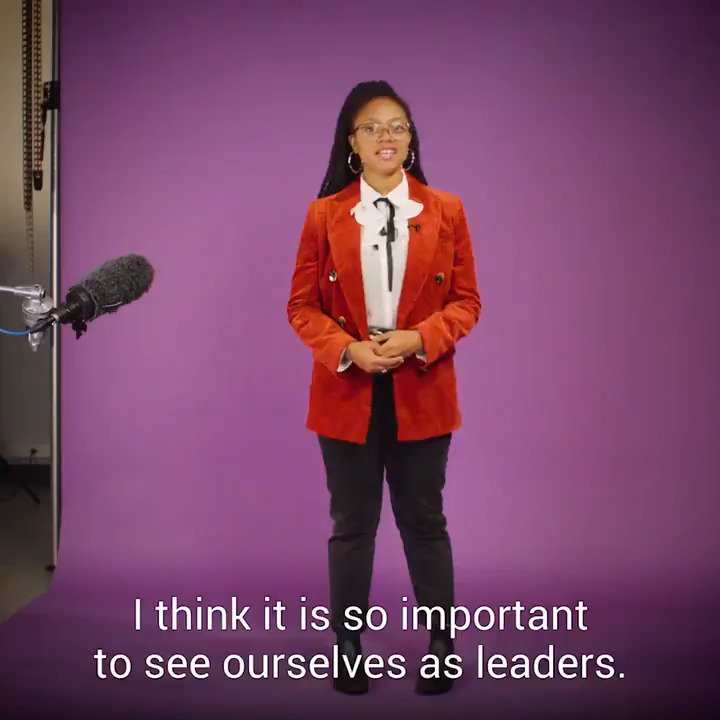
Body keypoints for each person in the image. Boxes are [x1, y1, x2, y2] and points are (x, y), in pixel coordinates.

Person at [287, 80, 481, 695]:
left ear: (411, 138)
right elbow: (300, 306)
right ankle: (347, 648)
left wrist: (418, 339)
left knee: (424, 520)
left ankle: (442, 645)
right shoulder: (324, 214)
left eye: (397, 125)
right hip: (346, 393)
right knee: (352, 523)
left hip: (423, 390)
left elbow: (467, 302)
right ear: (352, 142)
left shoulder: (447, 210)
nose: (386, 136)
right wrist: (347, 350)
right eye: (372, 127)